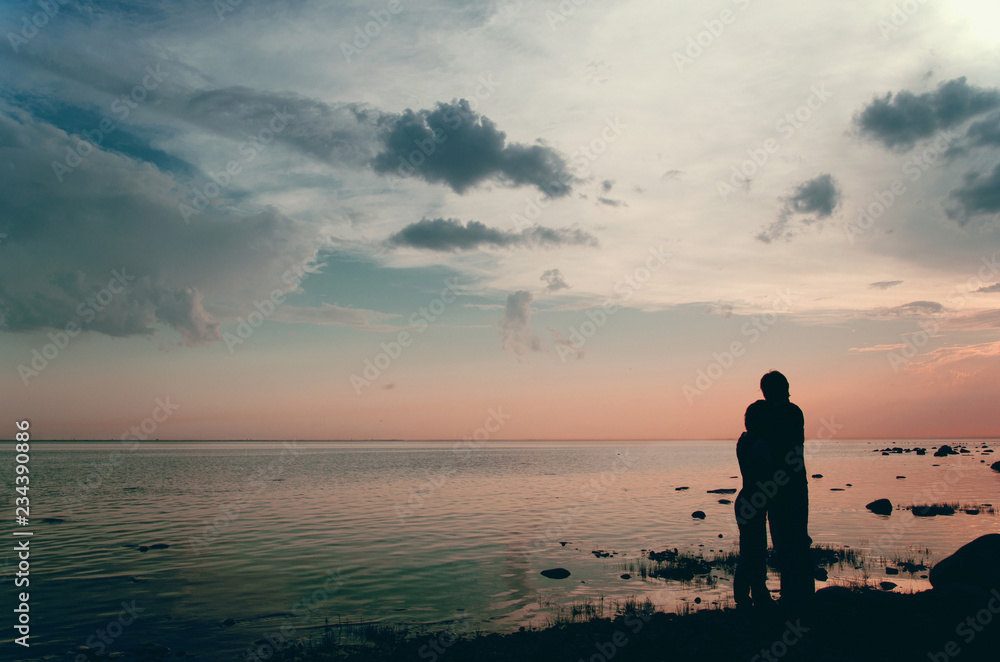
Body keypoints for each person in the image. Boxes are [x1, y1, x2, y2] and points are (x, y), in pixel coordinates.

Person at [743, 370, 814, 608]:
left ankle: (793, 596)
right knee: (796, 540)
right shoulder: (793, 412)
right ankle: (799, 595)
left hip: (780, 488)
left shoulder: (776, 415)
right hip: (794, 485)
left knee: (785, 543)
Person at [734, 404, 774, 608]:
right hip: (753, 500)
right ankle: (755, 593)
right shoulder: (760, 444)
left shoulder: (743, 441)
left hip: (745, 499)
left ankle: (746, 594)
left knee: (750, 549)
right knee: (755, 550)